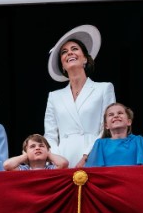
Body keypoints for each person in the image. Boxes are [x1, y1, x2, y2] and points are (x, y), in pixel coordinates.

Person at [44, 25, 115, 168]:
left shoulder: (104, 88)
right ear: (63, 65)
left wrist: (87, 156)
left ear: (85, 59)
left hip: (94, 155)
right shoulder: (54, 96)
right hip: (63, 159)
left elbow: (106, 127)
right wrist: (57, 159)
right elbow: (50, 135)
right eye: (64, 52)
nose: (69, 53)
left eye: (74, 49)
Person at [85, 103, 143, 167]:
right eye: (111, 114)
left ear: (129, 122)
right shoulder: (100, 144)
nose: (116, 116)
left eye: (120, 113)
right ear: (106, 125)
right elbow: (93, 171)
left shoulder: (138, 141)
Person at [4, 134, 69, 171]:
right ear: (25, 153)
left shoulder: (50, 168)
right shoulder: (24, 169)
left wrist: (49, 154)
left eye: (41, 146)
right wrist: (24, 156)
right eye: (32, 146)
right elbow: (7, 165)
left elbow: (64, 163)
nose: (37, 148)